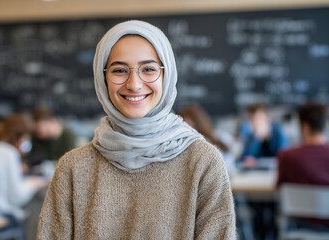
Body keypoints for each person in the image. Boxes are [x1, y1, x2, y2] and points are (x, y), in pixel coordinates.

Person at [37, 20, 236, 239]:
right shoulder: (72, 168)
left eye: (148, 69)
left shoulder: (202, 162)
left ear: (167, 75)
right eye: (120, 70)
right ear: (102, 78)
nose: (134, 84)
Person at [277, 101, 329, 230]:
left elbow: (279, 187)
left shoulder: (287, 156)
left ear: (304, 127)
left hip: (300, 226)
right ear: (326, 125)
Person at [179, 104, 236, 179]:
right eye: (184, 124)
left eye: (190, 123)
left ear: (198, 122)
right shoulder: (182, 144)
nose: (188, 127)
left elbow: (229, 163)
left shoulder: (221, 137)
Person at [239, 103, 289, 168]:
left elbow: (283, 157)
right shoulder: (252, 136)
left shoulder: (279, 132)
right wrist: (258, 138)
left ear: (268, 118)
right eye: (253, 120)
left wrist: (256, 162)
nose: (256, 123)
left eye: (259, 118)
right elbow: (246, 159)